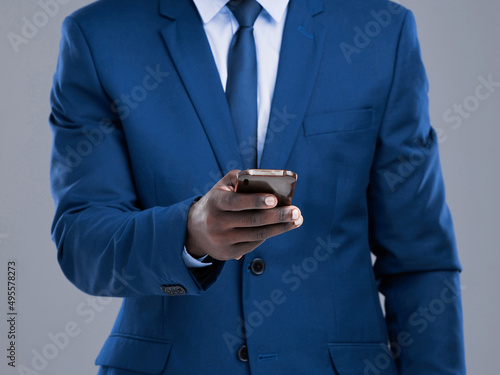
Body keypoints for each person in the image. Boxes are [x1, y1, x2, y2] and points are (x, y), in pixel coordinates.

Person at [49, 0, 466, 373]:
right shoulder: (98, 35)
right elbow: (83, 241)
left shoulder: (381, 31)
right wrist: (189, 234)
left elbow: (421, 259)